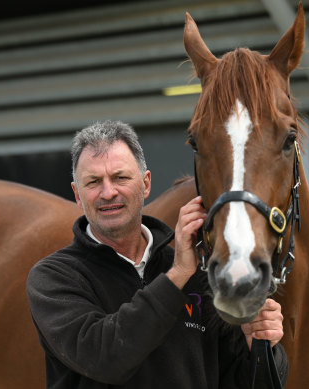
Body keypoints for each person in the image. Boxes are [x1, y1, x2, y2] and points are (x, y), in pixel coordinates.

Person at [27, 120, 288, 388]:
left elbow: (239, 382)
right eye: (93, 182)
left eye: (120, 177)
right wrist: (177, 275)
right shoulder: (54, 278)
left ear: (146, 184)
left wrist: (259, 346)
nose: (108, 192)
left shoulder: (199, 277)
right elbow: (105, 359)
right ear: (78, 195)